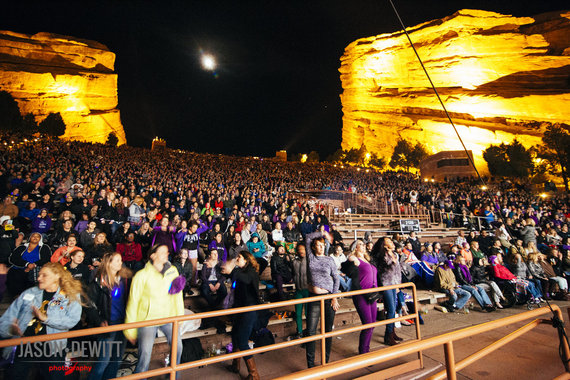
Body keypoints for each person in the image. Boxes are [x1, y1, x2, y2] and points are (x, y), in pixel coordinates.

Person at [0, 262, 82, 379]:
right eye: (39, 275)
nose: (39, 278)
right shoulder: (29, 293)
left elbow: (72, 320)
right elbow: (7, 318)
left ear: (57, 276)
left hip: (53, 348)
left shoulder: (70, 295)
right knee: (15, 376)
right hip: (24, 345)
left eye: (44, 275)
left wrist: (46, 319)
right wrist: (10, 330)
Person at [124, 244, 184, 375]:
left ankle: (174, 375)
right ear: (153, 255)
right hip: (147, 320)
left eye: (167, 252)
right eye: (162, 252)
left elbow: (177, 295)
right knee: (144, 355)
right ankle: (140, 377)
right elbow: (133, 302)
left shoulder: (173, 271)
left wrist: (180, 317)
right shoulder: (141, 275)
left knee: (178, 347)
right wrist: (130, 330)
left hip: (168, 317)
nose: (166, 254)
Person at [87, 252, 132, 380]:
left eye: (121, 260)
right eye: (117, 260)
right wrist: (99, 320)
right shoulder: (97, 282)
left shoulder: (124, 279)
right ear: (109, 263)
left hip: (121, 323)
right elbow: (89, 305)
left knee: (116, 360)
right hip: (107, 324)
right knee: (103, 361)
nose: (121, 262)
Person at [304, 231, 340, 367]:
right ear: (313, 247)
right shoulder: (311, 258)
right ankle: (310, 364)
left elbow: (336, 279)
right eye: (318, 245)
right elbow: (308, 237)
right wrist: (323, 233)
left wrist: (334, 297)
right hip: (314, 298)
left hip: (328, 297)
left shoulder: (329, 260)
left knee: (327, 331)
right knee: (311, 331)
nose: (321, 247)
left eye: (322, 245)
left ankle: (325, 361)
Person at [224, 250, 261, 380]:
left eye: (239, 257)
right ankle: (236, 365)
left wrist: (232, 270)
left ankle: (254, 374)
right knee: (235, 337)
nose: (237, 258)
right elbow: (229, 275)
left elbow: (244, 279)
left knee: (243, 341)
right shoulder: (240, 271)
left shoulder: (251, 272)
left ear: (246, 260)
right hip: (239, 309)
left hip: (249, 310)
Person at [372, 236, 403, 346]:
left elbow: (397, 271)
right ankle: (388, 335)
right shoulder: (381, 256)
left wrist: (398, 285)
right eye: (389, 241)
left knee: (393, 308)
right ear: (384, 245)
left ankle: (392, 331)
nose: (392, 242)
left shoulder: (395, 254)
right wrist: (391, 259)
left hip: (394, 284)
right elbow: (383, 270)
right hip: (386, 284)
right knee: (390, 309)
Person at [350, 239, 379, 354]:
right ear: (355, 247)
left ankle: (366, 348)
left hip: (373, 294)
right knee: (367, 324)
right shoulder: (354, 259)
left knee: (372, 324)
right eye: (360, 244)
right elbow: (350, 259)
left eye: (363, 244)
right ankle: (363, 351)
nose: (363, 246)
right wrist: (353, 259)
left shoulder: (367, 260)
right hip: (362, 294)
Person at [7, 232, 52, 297]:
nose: (35, 238)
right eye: (33, 236)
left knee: (31, 275)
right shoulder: (22, 247)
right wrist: (27, 264)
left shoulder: (44, 247)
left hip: (36, 267)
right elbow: (13, 258)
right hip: (20, 267)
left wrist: (34, 264)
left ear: (40, 239)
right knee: (14, 273)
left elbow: (46, 259)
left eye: (38, 237)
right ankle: (17, 296)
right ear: (29, 238)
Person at [292, 243, 309, 339]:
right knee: (298, 313)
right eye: (299, 249)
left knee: (307, 313)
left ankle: (309, 331)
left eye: (303, 249)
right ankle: (299, 332)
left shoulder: (310, 261)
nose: (301, 251)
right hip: (298, 290)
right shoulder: (294, 261)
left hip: (307, 290)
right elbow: (293, 274)